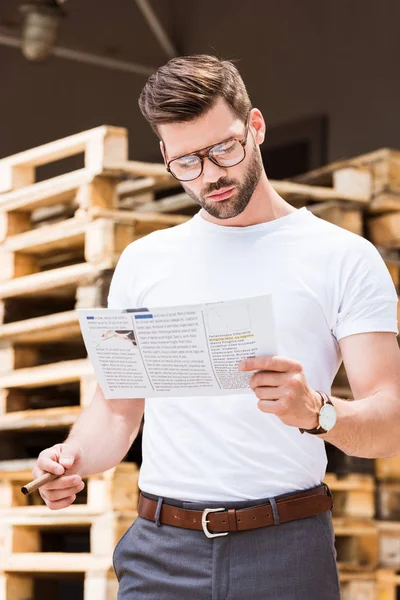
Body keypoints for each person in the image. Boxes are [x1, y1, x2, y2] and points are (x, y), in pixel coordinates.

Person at [33, 55, 400, 599]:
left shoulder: (342, 257)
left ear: (254, 127)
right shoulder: (145, 261)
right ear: (164, 156)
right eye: (185, 162)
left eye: (223, 149)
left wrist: (316, 411)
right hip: (160, 552)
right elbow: (117, 408)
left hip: (285, 550)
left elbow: (390, 420)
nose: (210, 175)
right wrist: (71, 458)